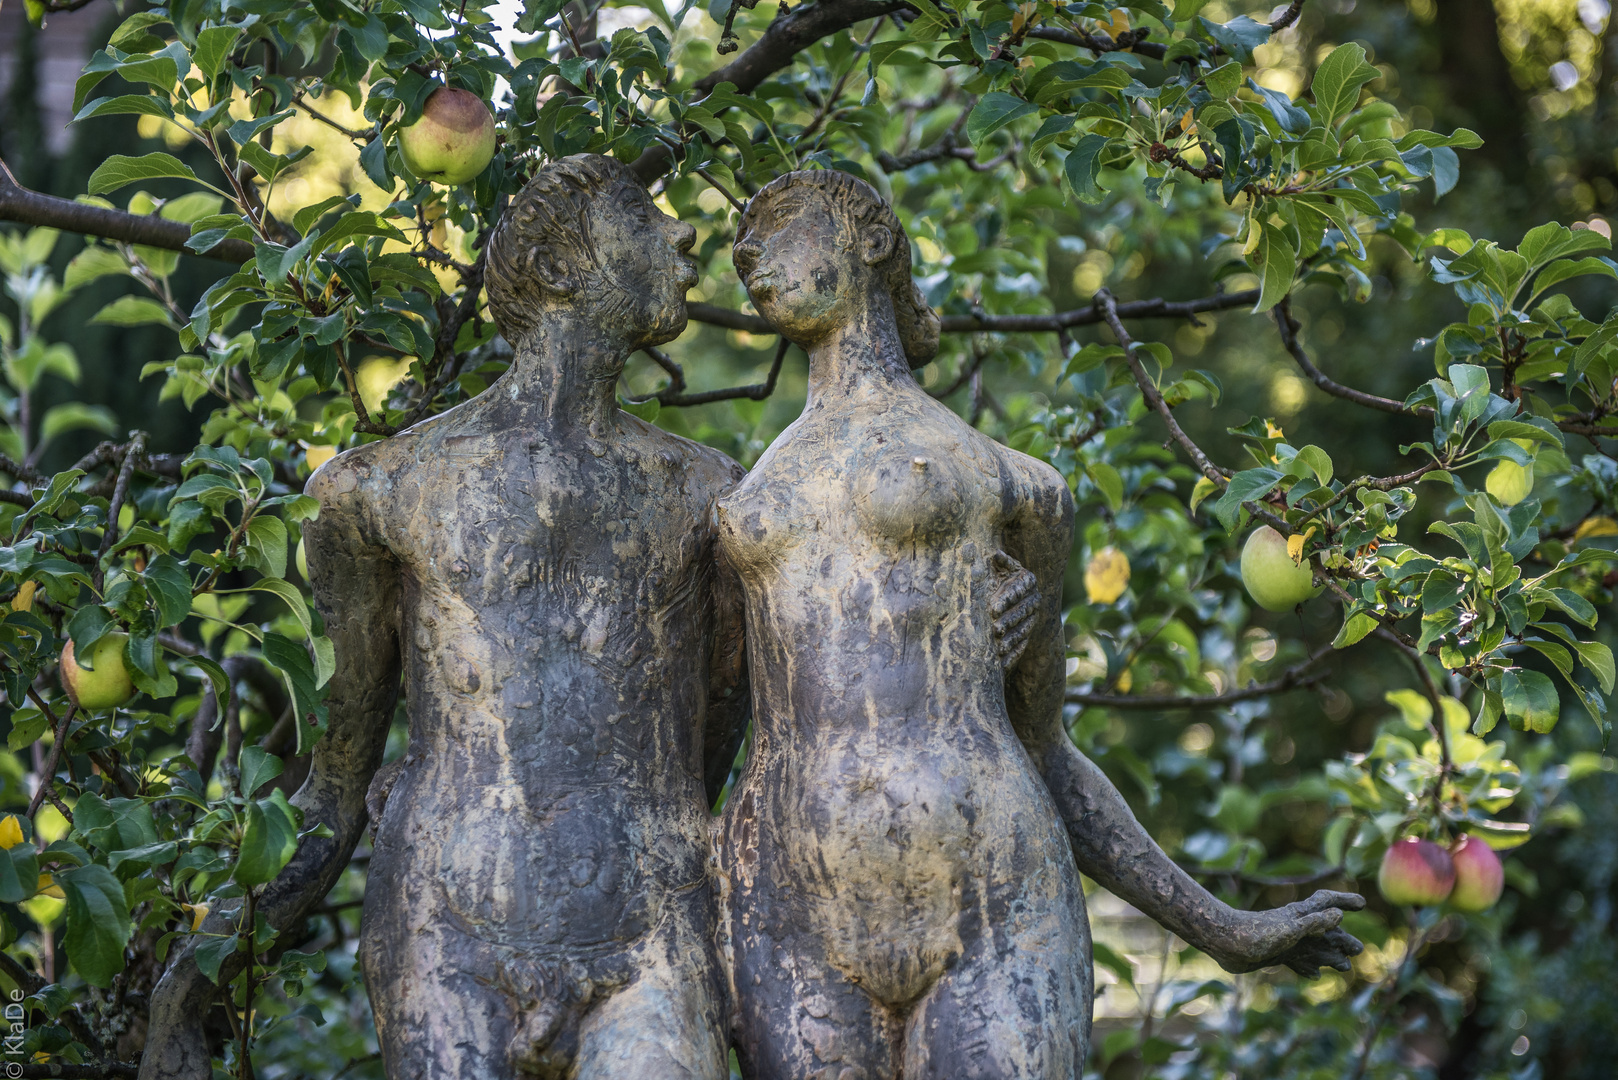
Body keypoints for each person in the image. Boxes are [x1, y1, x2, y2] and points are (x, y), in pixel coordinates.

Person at [715, 169, 1365, 1080]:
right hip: (791, 913)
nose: (749, 253)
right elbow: (696, 737)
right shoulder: (741, 497)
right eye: (743, 238)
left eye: (777, 224)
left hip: (991, 894)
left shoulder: (1015, 487)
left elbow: (1046, 749)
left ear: (867, 240)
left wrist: (1225, 929)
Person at [141, 155, 749, 1080]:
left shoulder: (715, 501)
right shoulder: (381, 494)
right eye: (642, 216)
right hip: (447, 930)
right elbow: (334, 788)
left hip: (649, 929)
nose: (683, 234)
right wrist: (187, 985)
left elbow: (735, 738)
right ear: (559, 265)